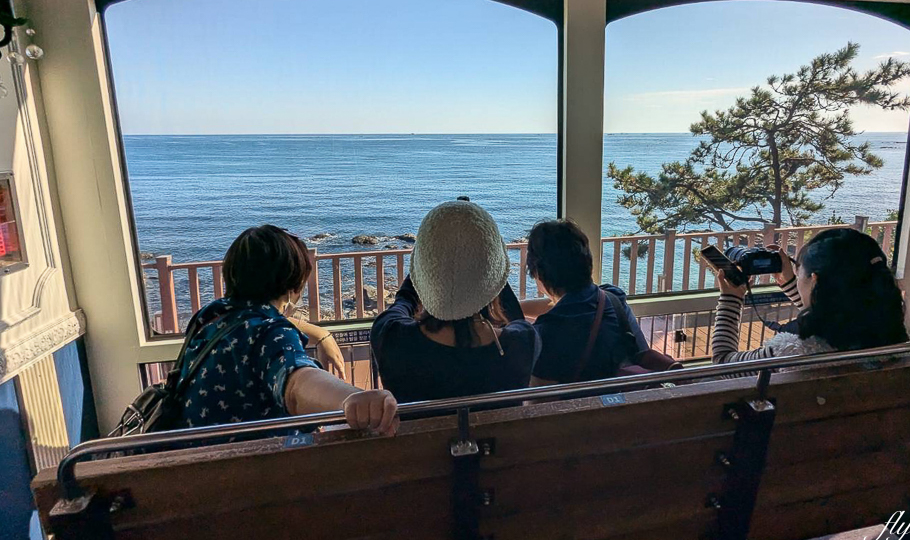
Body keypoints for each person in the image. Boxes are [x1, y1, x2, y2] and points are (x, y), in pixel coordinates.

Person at [176, 225, 398, 433]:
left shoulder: (208, 318)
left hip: (190, 454)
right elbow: (295, 384)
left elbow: (253, 321)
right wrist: (350, 399)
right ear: (295, 283)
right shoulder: (271, 333)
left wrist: (319, 333)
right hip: (244, 464)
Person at [371, 201, 540, 402]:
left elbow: (403, 300)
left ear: (424, 273)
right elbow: (511, 312)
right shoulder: (523, 343)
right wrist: (485, 268)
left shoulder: (390, 336)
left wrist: (434, 264)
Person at [712, 227, 908, 364]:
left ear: (814, 280)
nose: (797, 278)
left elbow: (723, 363)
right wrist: (790, 284)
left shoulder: (791, 352)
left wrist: (731, 299)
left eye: (799, 272)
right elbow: (832, 309)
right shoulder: (891, 341)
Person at [523, 219, 651, 385]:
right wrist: (511, 309)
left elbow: (538, 405)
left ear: (538, 274)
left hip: (590, 411)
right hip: (630, 402)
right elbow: (562, 305)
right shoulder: (613, 299)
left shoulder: (547, 333)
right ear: (586, 262)